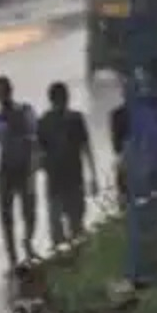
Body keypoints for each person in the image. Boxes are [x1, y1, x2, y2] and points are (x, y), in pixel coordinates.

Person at [0, 75, 39, 268]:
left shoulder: (25, 112)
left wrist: (34, 168)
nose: (1, 96)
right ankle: (12, 258)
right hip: (5, 172)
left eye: (3, 92)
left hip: (23, 168)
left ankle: (27, 242)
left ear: (10, 91)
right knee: (6, 218)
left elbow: (35, 142)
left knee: (29, 213)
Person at [35, 81, 98, 248]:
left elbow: (86, 148)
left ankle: (72, 260)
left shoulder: (69, 120)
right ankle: (71, 260)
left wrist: (93, 176)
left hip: (66, 182)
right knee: (65, 229)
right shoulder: (47, 122)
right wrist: (93, 176)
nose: (63, 102)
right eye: (62, 98)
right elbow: (39, 154)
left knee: (72, 226)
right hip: (62, 182)